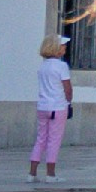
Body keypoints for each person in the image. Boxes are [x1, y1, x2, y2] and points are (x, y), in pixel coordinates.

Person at [28, 38, 74, 178]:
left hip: (43, 106)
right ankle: (50, 174)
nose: (65, 48)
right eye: (63, 46)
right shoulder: (61, 66)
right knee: (54, 140)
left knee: (41, 139)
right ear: (56, 48)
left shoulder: (43, 66)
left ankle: (32, 173)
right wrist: (69, 101)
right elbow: (67, 88)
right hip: (57, 106)